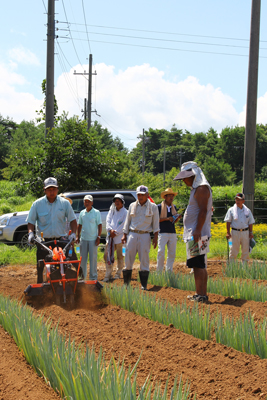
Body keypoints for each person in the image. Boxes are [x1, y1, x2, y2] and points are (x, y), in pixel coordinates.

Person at [173, 162, 212, 302]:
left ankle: (201, 295)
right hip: (196, 233)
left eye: (186, 177)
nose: (184, 181)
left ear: (194, 175)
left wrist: (197, 230)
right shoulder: (198, 188)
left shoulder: (201, 188)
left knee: (198, 265)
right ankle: (200, 294)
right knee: (198, 264)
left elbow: (203, 210)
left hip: (197, 234)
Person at [27, 177, 77, 283]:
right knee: (40, 266)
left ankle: (77, 284)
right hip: (44, 242)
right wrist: (30, 234)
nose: (52, 192)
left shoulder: (65, 203)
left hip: (62, 240)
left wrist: (73, 234)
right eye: (49, 189)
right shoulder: (37, 204)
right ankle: (40, 289)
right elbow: (30, 222)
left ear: (57, 189)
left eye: (54, 189)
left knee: (73, 261)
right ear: (44, 190)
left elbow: (73, 220)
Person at [121, 185, 159, 290]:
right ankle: (127, 284)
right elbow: (127, 221)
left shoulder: (153, 207)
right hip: (132, 234)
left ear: (147, 195)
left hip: (145, 235)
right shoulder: (132, 205)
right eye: (138, 194)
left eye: (142, 195)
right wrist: (124, 235)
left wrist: (155, 237)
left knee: (144, 259)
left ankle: (144, 285)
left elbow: (156, 224)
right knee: (128, 257)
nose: (140, 197)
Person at [76, 195, 102, 280]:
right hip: (83, 239)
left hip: (93, 240)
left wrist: (98, 237)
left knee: (93, 259)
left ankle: (93, 278)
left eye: (88, 201)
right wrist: (77, 236)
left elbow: (99, 225)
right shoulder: (82, 213)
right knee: (82, 259)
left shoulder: (96, 212)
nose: (87, 203)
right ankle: (82, 277)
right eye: (85, 201)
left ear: (92, 203)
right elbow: (79, 225)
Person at [103, 194, 127, 282]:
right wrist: (110, 230)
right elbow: (108, 220)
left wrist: (115, 232)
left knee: (120, 257)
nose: (116, 202)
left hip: (120, 238)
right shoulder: (112, 210)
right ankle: (108, 273)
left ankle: (118, 273)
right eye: (115, 201)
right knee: (107, 255)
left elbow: (124, 225)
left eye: (118, 201)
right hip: (110, 238)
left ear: (122, 202)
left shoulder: (125, 212)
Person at [224, 193, 255, 263]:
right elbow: (228, 221)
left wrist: (251, 232)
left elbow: (250, 222)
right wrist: (228, 232)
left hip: (245, 232)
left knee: (245, 250)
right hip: (235, 232)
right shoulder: (231, 210)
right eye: (236, 199)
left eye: (239, 200)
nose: (237, 201)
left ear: (243, 201)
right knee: (233, 250)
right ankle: (231, 267)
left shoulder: (247, 211)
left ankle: (244, 268)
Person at [156, 188, 181, 272]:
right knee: (161, 252)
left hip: (172, 232)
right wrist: (167, 218)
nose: (171, 197)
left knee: (172, 253)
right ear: (165, 197)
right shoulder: (159, 207)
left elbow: (174, 221)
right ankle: (159, 271)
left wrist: (177, 218)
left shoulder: (174, 207)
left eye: (172, 196)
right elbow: (156, 220)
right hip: (162, 232)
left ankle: (169, 270)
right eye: (169, 196)